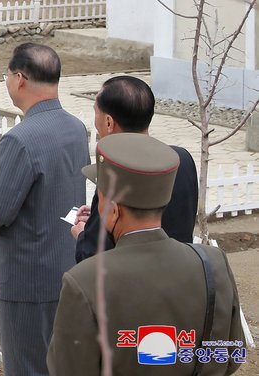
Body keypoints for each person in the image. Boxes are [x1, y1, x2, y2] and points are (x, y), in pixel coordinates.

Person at [48, 133, 244, 376]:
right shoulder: (213, 264)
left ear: (113, 210)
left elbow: (68, 369)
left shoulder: (84, 281)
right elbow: (232, 354)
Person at [0, 43, 88, 376]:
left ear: (19, 79)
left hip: (27, 275)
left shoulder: (20, 139)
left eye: (7, 75)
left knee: (27, 365)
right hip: (66, 262)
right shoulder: (76, 128)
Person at [72, 75, 198, 262]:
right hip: (183, 272)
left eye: (95, 112)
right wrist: (101, 214)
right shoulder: (182, 159)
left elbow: (92, 255)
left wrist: (82, 234)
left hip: (135, 282)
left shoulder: (115, 172)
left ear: (108, 122)